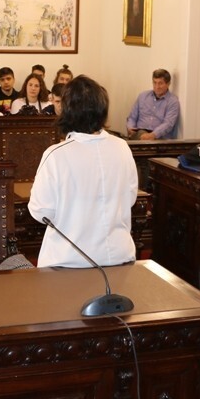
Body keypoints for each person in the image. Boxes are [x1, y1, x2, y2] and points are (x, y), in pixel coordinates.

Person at [28, 76, 137, 268]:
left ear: (67, 111)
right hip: (117, 257)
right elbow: (130, 198)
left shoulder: (56, 154)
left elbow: (41, 211)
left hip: (69, 261)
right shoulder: (122, 147)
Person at [126, 68, 180, 140]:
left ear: (168, 84)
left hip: (159, 138)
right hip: (139, 133)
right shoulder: (143, 96)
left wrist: (153, 135)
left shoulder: (172, 101)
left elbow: (168, 124)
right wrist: (130, 128)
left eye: (160, 83)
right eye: (154, 83)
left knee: (143, 136)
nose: (157, 87)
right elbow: (132, 117)